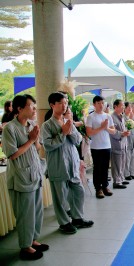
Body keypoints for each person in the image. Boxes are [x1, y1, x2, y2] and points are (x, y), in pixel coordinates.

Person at [2, 94, 48, 260]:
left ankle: (33, 240)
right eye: (31, 106)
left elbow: (36, 147)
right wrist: (31, 140)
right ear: (19, 109)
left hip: (34, 174)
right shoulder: (10, 128)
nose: (35, 109)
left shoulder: (31, 124)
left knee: (36, 211)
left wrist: (35, 140)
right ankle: (25, 246)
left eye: (35, 106)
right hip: (21, 178)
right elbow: (12, 154)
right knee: (25, 214)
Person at [41, 92, 93, 235]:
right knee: (60, 196)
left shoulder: (67, 121)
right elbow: (48, 145)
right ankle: (64, 223)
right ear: (52, 105)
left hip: (72, 163)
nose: (64, 106)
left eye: (66, 103)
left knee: (78, 191)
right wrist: (62, 133)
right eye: (61, 103)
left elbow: (77, 140)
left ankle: (77, 218)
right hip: (58, 165)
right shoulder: (47, 125)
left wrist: (69, 131)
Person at [86, 96, 116, 199]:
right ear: (94, 104)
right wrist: (101, 128)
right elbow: (89, 132)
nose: (101, 105)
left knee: (105, 167)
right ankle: (98, 188)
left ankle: (105, 186)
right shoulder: (91, 117)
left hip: (106, 145)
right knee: (97, 168)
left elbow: (113, 131)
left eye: (102, 103)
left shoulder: (108, 116)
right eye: (98, 103)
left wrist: (106, 128)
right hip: (96, 146)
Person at [109, 99, 130, 189]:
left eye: (123, 106)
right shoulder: (111, 117)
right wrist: (122, 134)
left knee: (122, 162)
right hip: (116, 143)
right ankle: (116, 182)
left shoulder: (122, 116)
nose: (123, 108)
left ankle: (121, 179)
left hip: (123, 143)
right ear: (115, 106)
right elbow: (112, 131)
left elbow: (123, 128)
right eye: (121, 106)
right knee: (116, 163)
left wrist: (126, 132)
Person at [123, 102, 134, 180]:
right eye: (129, 108)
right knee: (127, 158)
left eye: (130, 108)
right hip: (128, 140)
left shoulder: (132, 117)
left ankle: (132, 173)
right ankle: (127, 174)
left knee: (133, 157)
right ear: (124, 109)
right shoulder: (123, 118)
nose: (130, 109)